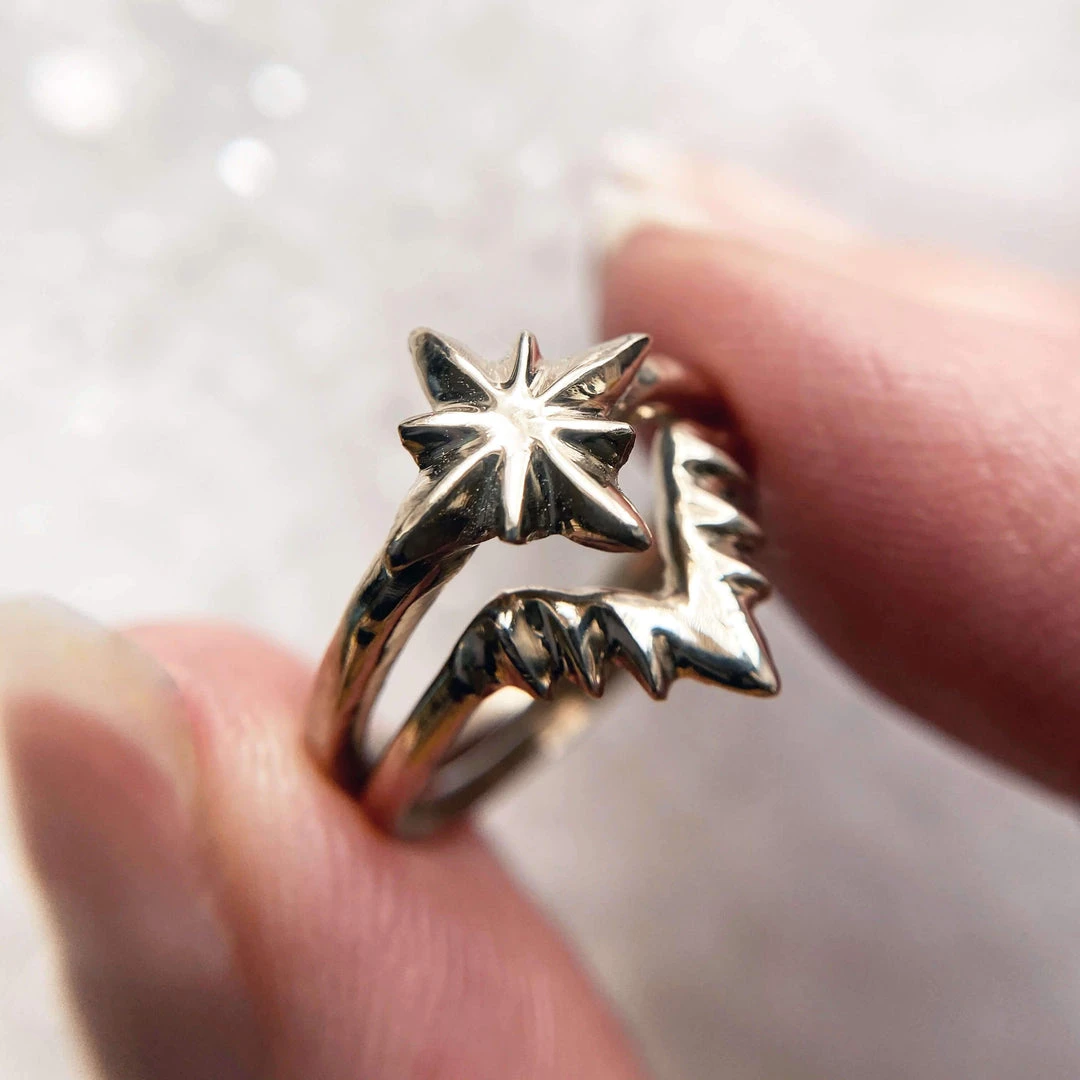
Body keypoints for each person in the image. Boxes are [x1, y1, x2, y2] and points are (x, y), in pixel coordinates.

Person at [2, 151, 1077, 1079]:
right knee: (499, 642)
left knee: (507, 637)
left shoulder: (549, 597)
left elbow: (703, 616)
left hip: (626, 575)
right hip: (535, 632)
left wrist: (687, 501)